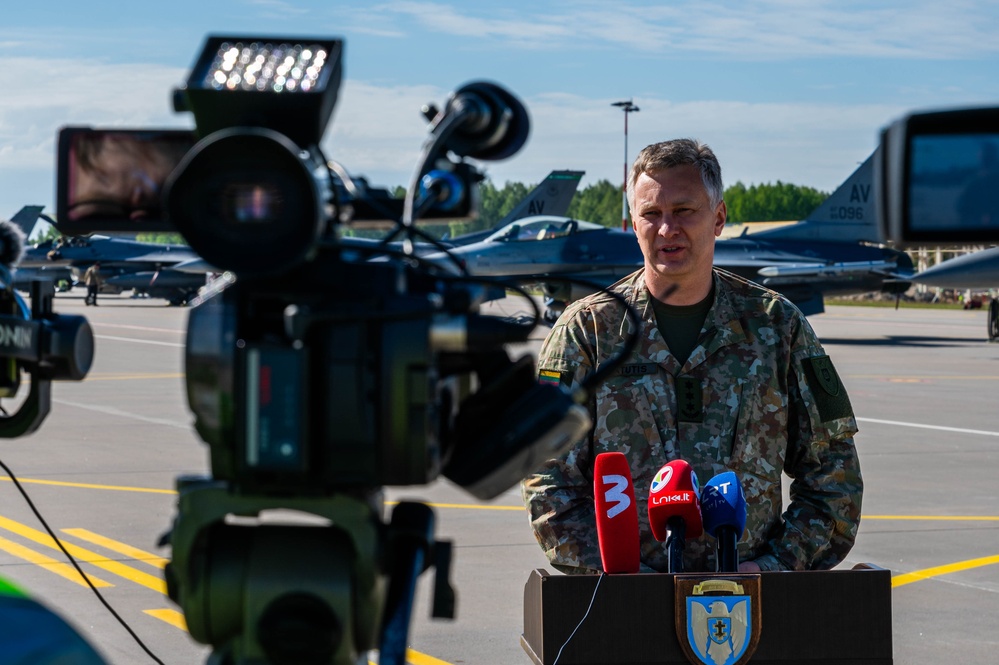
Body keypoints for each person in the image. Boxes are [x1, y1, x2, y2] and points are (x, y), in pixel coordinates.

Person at [522, 138, 863, 574]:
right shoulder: (587, 332)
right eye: (651, 214)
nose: (667, 229)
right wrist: (616, 572)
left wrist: (775, 567)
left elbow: (834, 473)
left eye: (684, 211)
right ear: (633, 223)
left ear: (718, 218)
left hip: (751, 605)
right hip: (623, 606)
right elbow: (546, 476)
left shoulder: (778, 326)